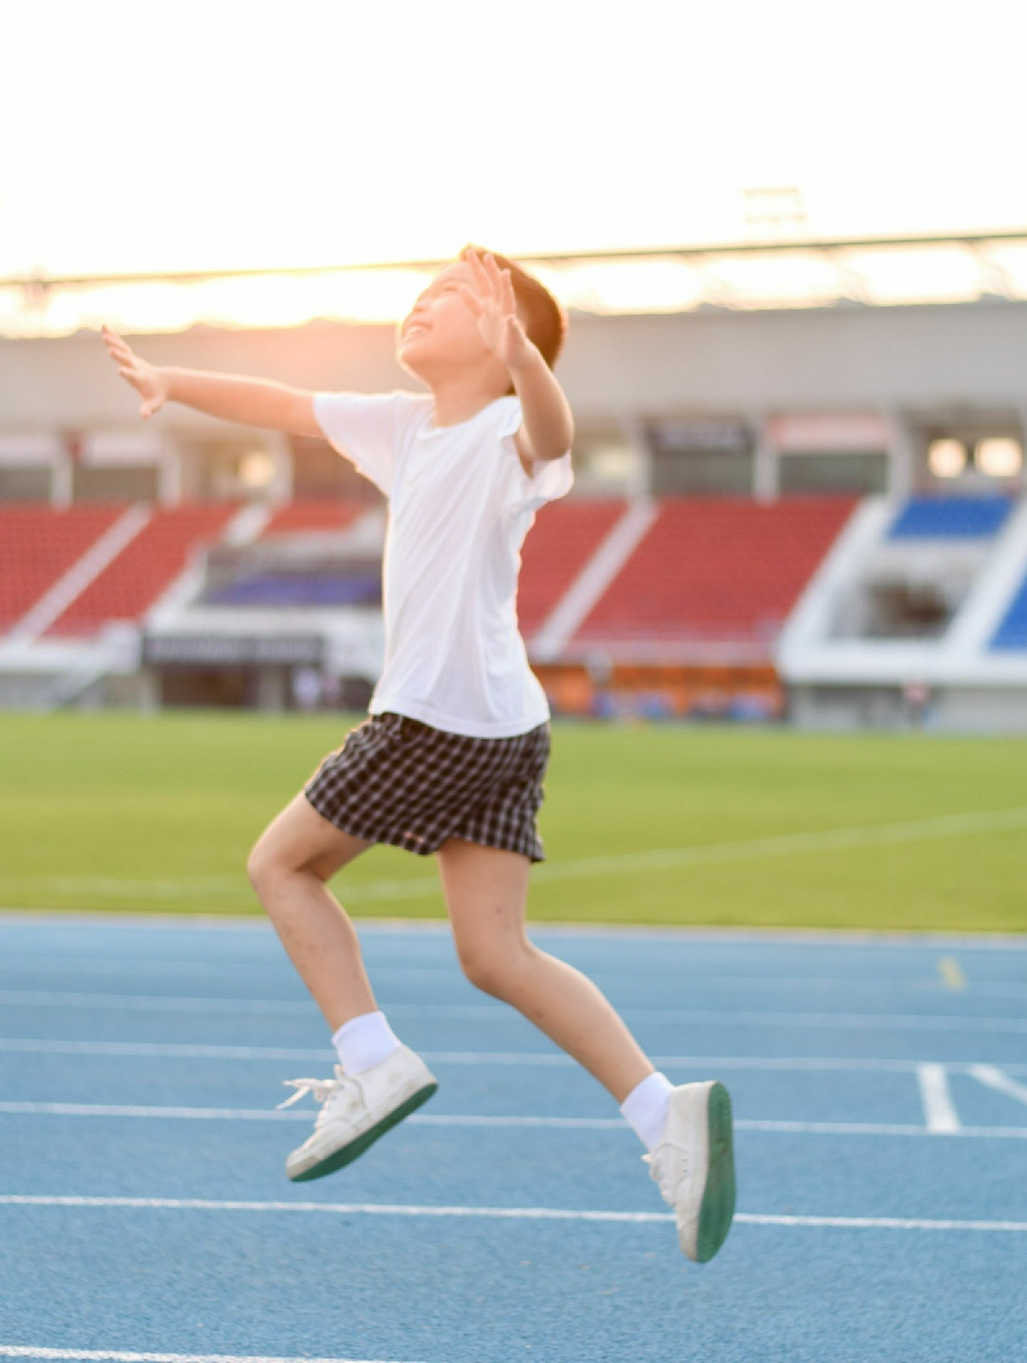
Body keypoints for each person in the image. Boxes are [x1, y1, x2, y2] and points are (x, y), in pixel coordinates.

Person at [100, 247, 736, 1265]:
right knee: (494, 954)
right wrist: (176, 382)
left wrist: (524, 358)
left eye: (444, 299)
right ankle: (666, 1116)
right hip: (502, 726)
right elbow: (285, 401)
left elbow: (554, 429)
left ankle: (373, 1058)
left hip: (436, 716)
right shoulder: (402, 426)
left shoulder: (505, 429)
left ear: (499, 337)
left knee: (280, 864)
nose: (418, 307)